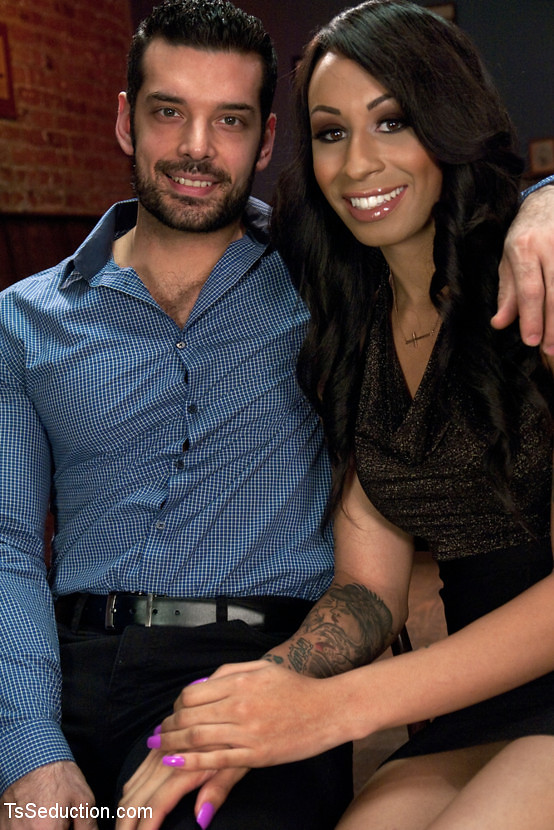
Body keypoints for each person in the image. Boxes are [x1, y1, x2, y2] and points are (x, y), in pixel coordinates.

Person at [0, 2, 552, 830]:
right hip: (74, 661)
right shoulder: (351, 313)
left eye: (228, 120)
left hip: (279, 650)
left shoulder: (339, 282)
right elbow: (370, 584)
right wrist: (29, 749)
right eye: (331, 132)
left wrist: (545, 198)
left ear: (262, 143)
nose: (195, 147)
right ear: (125, 121)